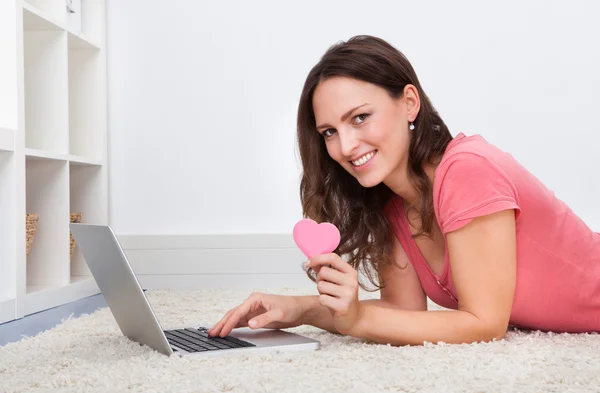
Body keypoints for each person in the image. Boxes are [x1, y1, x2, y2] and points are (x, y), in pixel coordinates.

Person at [208, 35, 600, 345]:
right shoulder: (392, 202)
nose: (344, 147)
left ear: (409, 103)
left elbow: (484, 324)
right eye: (330, 132)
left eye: (360, 118)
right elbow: (402, 311)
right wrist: (297, 309)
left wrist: (357, 318)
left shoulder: (466, 171)